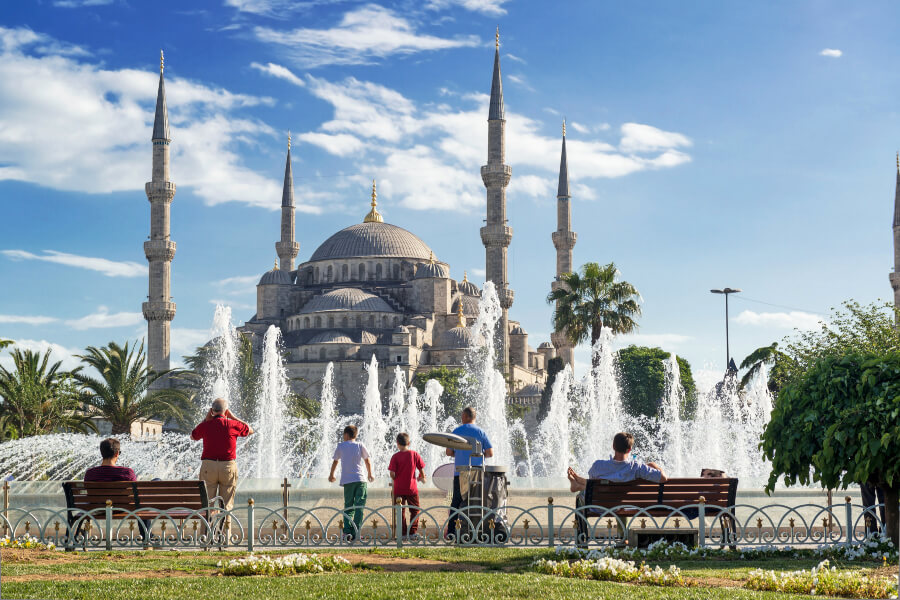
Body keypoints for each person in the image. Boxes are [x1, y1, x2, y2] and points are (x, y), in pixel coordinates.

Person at [190, 398, 253, 529]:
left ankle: (205, 539)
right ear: (226, 411)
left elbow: (193, 436)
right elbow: (250, 430)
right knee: (227, 505)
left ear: (212, 411)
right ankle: (225, 539)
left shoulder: (206, 425)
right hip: (227, 467)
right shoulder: (232, 425)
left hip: (209, 467)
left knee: (207, 505)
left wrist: (206, 419)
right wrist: (233, 417)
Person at [84, 438, 152, 540]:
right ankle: (147, 538)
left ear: (102, 453)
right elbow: (136, 494)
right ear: (117, 454)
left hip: (98, 508)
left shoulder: (90, 473)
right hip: (125, 508)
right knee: (142, 502)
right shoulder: (127, 472)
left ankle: (72, 538)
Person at [567, 432, 667, 493]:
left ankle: (578, 485)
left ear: (613, 446)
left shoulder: (598, 465)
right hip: (626, 506)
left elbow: (592, 482)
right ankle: (578, 483)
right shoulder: (637, 467)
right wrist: (653, 465)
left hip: (601, 507)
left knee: (590, 489)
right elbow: (663, 478)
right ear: (629, 450)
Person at [446, 407, 493, 530]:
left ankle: (452, 531)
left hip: (460, 473)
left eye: (462, 416)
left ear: (466, 417)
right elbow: (490, 453)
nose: (461, 418)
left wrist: (459, 453)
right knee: (478, 502)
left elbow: (448, 452)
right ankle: (479, 529)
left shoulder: (456, 431)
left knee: (456, 502)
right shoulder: (481, 432)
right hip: (477, 473)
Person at [328, 425, 374, 540]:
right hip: (360, 480)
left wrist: (331, 474)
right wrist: (370, 474)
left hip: (348, 481)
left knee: (348, 506)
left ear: (346, 435)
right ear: (356, 435)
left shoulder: (341, 446)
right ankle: (356, 532)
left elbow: (335, 461)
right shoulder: (360, 445)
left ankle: (346, 532)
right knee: (359, 507)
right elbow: (367, 461)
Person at [388, 432, 426, 537]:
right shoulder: (414, 454)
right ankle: (413, 532)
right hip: (411, 488)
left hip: (398, 489)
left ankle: (403, 533)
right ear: (408, 443)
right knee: (415, 510)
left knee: (400, 511)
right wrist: (422, 477)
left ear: (397, 443)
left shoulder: (395, 457)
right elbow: (421, 470)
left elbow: (392, 473)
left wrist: (396, 479)